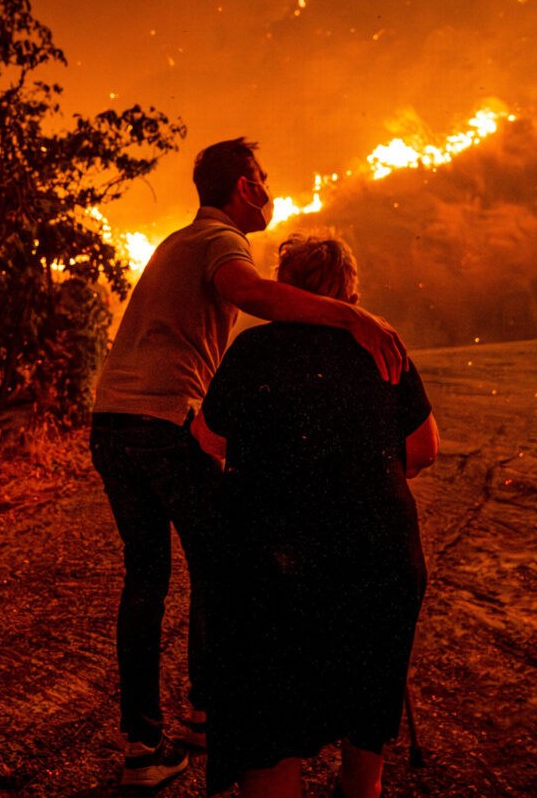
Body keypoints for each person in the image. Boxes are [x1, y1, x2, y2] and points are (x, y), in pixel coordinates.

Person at [89, 139, 409, 788]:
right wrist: (351, 318)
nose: (269, 188)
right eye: (262, 178)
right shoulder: (219, 240)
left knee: (146, 580)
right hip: (161, 420)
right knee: (233, 563)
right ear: (242, 187)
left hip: (111, 422)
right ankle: (213, 715)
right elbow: (251, 293)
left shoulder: (175, 242)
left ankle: (143, 749)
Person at [198, 233, 439, 798]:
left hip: (273, 568)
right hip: (380, 560)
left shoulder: (254, 351)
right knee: (364, 710)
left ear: (285, 287)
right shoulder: (382, 346)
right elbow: (425, 448)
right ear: (350, 291)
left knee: (270, 725)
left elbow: (208, 440)